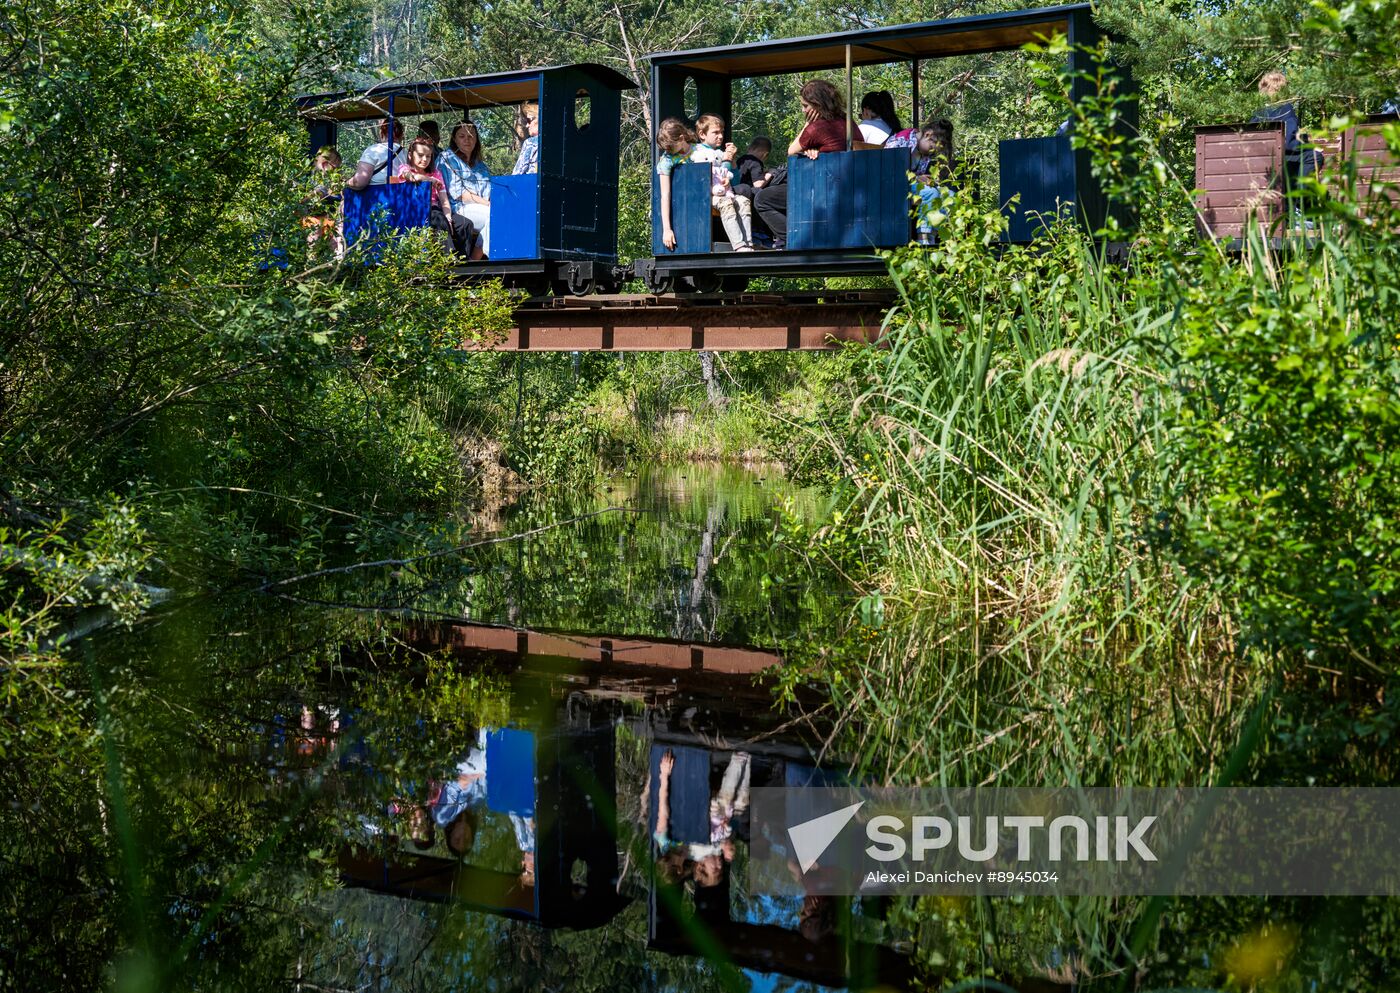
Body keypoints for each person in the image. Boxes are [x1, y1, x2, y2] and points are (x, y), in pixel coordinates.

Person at [754, 79, 859, 249]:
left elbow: (791, 151)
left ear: (816, 105)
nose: (803, 110)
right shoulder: (848, 122)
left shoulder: (816, 127)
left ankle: (795, 237)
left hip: (819, 189)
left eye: (805, 106)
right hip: (845, 186)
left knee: (762, 198)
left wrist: (807, 124)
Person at [392, 136, 479, 258]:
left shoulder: (436, 173)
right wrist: (428, 180)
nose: (424, 159)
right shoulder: (405, 169)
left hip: (435, 209)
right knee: (438, 218)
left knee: (465, 224)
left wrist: (449, 217)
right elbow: (411, 177)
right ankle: (447, 258)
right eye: (421, 155)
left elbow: (443, 199)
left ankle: (462, 258)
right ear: (411, 155)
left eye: (428, 156)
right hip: (415, 210)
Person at [691, 113, 756, 252]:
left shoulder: (721, 153)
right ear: (702, 134)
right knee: (726, 203)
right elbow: (715, 177)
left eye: (722, 132)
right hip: (707, 196)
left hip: (725, 193)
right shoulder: (697, 152)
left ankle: (748, 243)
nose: (720, 136)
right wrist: (726, 161)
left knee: (744, 201)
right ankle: (738, 245)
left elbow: (734, 181)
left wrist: (732, 160)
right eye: (715, 132)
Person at [887, 118, 956, 243]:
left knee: (949, 195)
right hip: (893, 186)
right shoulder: (903, 139)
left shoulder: (924, 152)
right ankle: (923, 238)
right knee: (930, 193)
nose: (933, 151)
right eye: (932, 146)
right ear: (927, 134)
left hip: (911, 186)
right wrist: (917, 178)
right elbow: (888, 169)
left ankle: (934, 236)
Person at [1250, 70, 1321, 179]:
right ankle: (1299, 195)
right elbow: (1290, 143)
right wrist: (1310, 148)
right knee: (1314, 157)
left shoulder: (1257, 112)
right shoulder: (1285, 109)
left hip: (1260, 157)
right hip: (1280, 157)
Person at [439, 122, 493, 256]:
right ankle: (475, 262)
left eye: (471, 136)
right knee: (494, 217)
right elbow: (460, 194)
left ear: (476, 139)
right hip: (459, 207)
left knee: (502, 216)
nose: (467, 140)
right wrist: (489, 204)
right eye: (462, 136)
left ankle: (477, 260)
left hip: (482, 206)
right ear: (454, 139)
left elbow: (490, 191)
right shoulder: (447, 158)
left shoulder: (480, 165)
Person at [655, 117, 697, 251]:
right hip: (686, 206)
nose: (667, 151)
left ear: (681, 138)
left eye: (670, 147)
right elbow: (665, 195)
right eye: (664, 148)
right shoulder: (667, 161)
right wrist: (667, 229)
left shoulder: (700, 150)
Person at [302, 147, 344, 255]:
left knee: (336, 233)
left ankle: (332, 262)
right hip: (313, 217)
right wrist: (316, 194)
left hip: (327, 218)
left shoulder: (333, 180)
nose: (337, 170)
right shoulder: (312, 179)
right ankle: (312, 262)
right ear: (325, 165)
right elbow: (304, 200)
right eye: (335, 167)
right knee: (315, 232)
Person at [346, 118, 406, 190]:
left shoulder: (374, 150)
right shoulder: (406, 153)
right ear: (401, 135)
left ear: (381, 133)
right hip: (401, 194)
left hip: (376, 195)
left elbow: (359, 182)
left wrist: (346, 182)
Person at [512, 102, 540, 175]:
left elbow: (517, 175)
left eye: (529, 120)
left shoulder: (531, 143)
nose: (527, 125)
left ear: (541, 119)